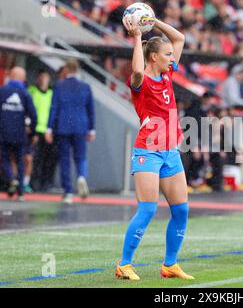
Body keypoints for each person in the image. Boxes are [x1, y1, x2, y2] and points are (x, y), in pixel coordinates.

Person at [115, 15, 194, 281]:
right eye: (167, 55)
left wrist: (155, 21)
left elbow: (179, 38)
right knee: (148, 209)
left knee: (181, 210)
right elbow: (137, 70)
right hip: (147, 151)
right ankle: (124, 264)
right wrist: (138, 37)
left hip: (170, 151)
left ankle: (170, 265)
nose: (173, 58)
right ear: (153, 58)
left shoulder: (167, 73)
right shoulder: (141, 82)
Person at [45, 59, 96, 204]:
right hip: (81, 126)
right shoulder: (85, 86)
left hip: (63, 127)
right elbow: (91, 110)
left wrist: (49, 128)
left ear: (66, 69)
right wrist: (92, 129)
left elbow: (53, 108)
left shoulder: (59, 86)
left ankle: (68, 192)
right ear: (78, 70)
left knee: (65, 160)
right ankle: (81, 176)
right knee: (80, 157)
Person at [0, 67, 37, 202]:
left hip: (3, 133)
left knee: (4, 160)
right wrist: (33, 133)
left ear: (11, 76)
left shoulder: (2, 91)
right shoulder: (25, 93)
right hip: (19, 133)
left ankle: (11, 179)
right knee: (20, 161)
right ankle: (20, 192)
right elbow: (33, 114)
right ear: (22, 78)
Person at [29, 70, 58, 192]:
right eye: (41, 77)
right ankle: (34, 183)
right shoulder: (32, 91)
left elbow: (54, 112)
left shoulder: (52, 93)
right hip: (36, 130)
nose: (43, 80)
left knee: (49, 159)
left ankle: (47, 183)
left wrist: (50, 129)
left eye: (46, 77)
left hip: (48, 132)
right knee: (35, 159)